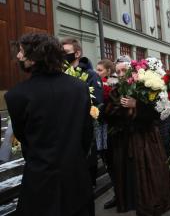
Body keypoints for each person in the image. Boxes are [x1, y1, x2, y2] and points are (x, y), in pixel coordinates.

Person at [4, 33, 94, 215]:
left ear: (35, 56)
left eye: (21, 52)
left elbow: (24, 138)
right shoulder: (79, 87)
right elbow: (86, 134)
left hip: (40, 180)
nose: (18, 57)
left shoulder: (17, 95)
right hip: (76, 177)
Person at [104, 55, 170, 215]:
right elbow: (109, 115)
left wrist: (137, 105)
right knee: (131, 184)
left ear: (132, 70)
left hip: (146, 143)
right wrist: (121, 110)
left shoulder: (144, 87)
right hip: (124, 144)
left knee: (150, 185)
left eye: (124, 70)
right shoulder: (116, 91)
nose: (121, 74)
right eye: (118, 71)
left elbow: (155, 114)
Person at [61, 38, 103, 188]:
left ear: (77, 53)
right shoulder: (60, 74)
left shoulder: (91, 75)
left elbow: (97, 103)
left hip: (85, 131)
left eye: (66, 52)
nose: (62, 55)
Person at [95, 59, 118, 210]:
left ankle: (120, 194)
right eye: (96, 70)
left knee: (114, 162)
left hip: (112, 130)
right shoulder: (96, 84)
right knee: (107, 162)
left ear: (109, 71)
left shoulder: (113, 85)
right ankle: (118, 193)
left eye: (100, 70)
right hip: (100, 128)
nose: (97, 73)